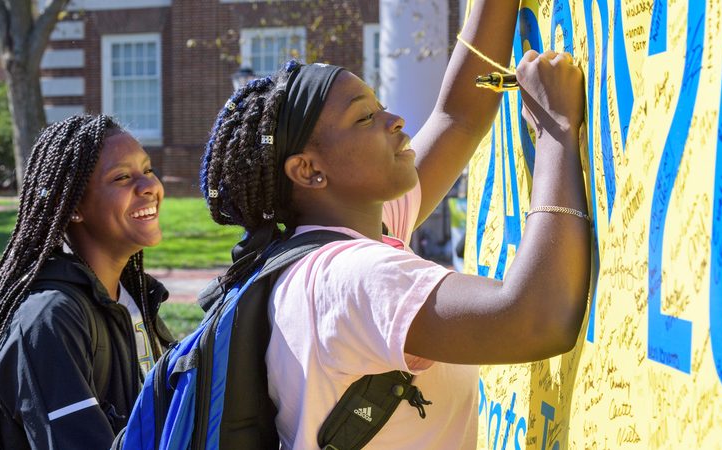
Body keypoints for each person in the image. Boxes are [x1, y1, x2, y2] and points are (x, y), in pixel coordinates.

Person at [199, 0, 590, 447]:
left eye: (379, 105)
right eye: (365, 118)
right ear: (308, 171)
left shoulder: (335, 239)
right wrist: (556, 128)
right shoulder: (353, 277)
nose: (395, 120)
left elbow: (458, 117)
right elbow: (534, 320)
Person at [0, 114, 174, 450]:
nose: (149, 187)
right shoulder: (49, 320)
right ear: (70, 208)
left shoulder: (135, 298)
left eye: (148, 170)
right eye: (122, 177)